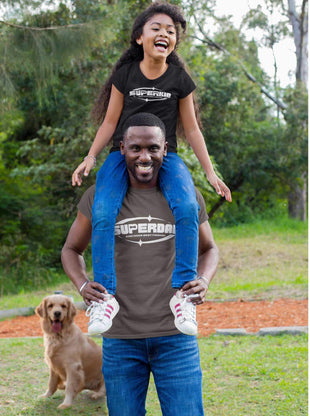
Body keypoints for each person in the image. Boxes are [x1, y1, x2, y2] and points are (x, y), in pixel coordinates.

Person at [70, 1, 230, 333]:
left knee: (186, 206)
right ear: (140, 37)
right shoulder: (125, 75)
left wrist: (211, 172)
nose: (164, 34)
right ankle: (105, 298)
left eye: (171, 31)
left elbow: (194, 129)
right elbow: (109, 121)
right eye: (156, 28)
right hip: (121, 155)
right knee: (103, 210)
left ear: (174, 43)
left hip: (165, 157)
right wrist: (90, 156)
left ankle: (183, 295)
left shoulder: (179, 79)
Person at [62, 112, 219, 416]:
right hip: (120, 340)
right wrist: (82, 285)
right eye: (136, 148)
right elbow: (71, 249)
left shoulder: (187, 197)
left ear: (165, 150)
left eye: (153, 148)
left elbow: (209, 248)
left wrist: (205, 279)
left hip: (176, 337)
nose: (144, 156)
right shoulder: (99, 198)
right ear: (122, 148)